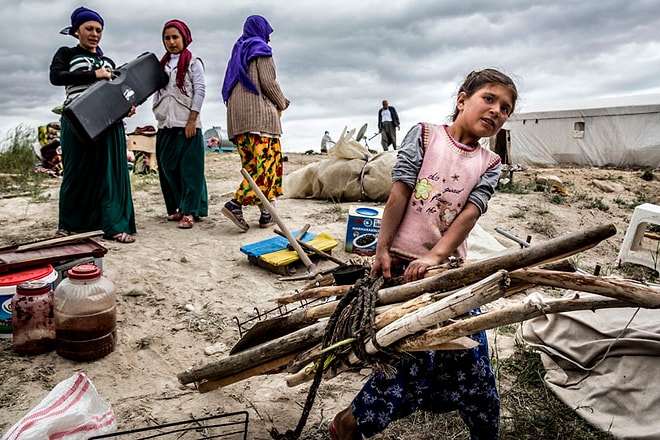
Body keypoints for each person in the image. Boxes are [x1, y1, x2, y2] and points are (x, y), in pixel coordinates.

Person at [330, 68, 518, 440]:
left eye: (506, 108)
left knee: (473, 359)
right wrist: (382, 250)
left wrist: (436, 258)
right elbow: (399, 192)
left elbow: (469, 215)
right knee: (407, 364)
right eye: (490, 99)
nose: (497, 111)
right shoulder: (427, 135)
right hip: (402, 268)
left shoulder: (490, 164)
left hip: (448, 274)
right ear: (462, 99)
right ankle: (347, 425)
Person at [49, 6, 137, 243]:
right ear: (77, 30)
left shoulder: (107, 61)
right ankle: (69, 226)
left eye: (99, 30)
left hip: (108, 123)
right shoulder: (66, 53)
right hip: (77, 121)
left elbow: (119, 91)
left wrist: (126, 108)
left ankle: (113, 225)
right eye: (89, 28)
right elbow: (56, 77)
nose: (95, 34)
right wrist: (94, 75)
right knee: (76, 173)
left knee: (109, 174)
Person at [220, 15, 290, 232]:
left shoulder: (237, 54)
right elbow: (269, 83)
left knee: (251, 167)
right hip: (260, 122)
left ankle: (266, 213)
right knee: (266, 168)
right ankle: (236, 204)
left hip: (238, 123)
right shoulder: (260, 50)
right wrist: (283, 103)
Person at [152, 19, 208, 229]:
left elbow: (200, 91)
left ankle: (190, 212)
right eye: (167, 38)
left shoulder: (193, 62)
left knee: (189, 170)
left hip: (187, 123)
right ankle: (178, 207)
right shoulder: (161, 64)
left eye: (175, 37)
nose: (171, 42)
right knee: (168, 168)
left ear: (185, 38)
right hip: (165, 124)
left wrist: (192, 120)